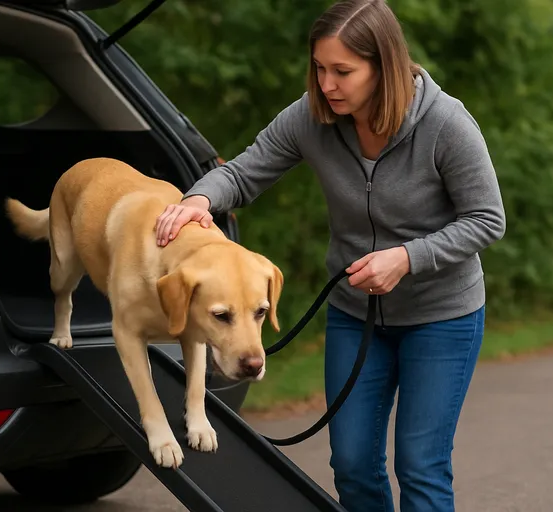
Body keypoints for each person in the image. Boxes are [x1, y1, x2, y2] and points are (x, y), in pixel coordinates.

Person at [154, 0, 506, 510]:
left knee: (421, 466)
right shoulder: (312, 116)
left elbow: (487, 219)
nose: (327, 84)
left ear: (384, 67)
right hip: (353, 312)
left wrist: (406, 258)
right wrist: (198, 200)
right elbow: (244, 170)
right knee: (353, 464)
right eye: (319, 68)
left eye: (343, 71)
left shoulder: (446, 124)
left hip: (441, 317)